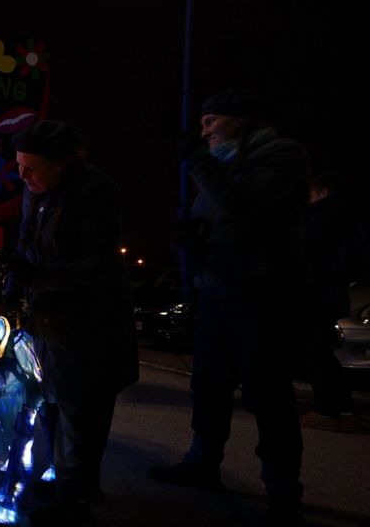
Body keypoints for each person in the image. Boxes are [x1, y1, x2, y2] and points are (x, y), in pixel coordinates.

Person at [149, 89, 310, 524]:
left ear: (240, 121)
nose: (203, 132)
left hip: (262, 292)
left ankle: (282, 489)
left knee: (266, 392)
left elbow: (240, 209)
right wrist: (191, 240)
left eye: (211, 122)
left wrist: (198, 165)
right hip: (218, 289)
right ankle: (203, 463)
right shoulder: (220, 162)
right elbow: (217, 218)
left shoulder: (281, 156)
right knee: (209, 384)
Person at [9, 120, 138, 525]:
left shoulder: (96, 193)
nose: (22, 176)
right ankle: (72, 483)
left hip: (87, 323)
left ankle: (75, 499)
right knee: (52, 400)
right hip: (48, 319)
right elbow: (31, 245)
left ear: (62, 163)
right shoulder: (39, 192)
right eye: (18, 165)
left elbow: (96, 266)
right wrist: (18, 278)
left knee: (81, 409)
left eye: (31, 168)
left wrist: (38, 278)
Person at [300, 173, 358, 431]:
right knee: (322, 352)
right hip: (329, 293)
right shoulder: (344, 215)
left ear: (323, 192)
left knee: (316, 352)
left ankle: (326, 409)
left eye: (311, 195)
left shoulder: (325, 216)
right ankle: (344, 410)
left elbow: (306, 248)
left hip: (319, 294)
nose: (308, 201)